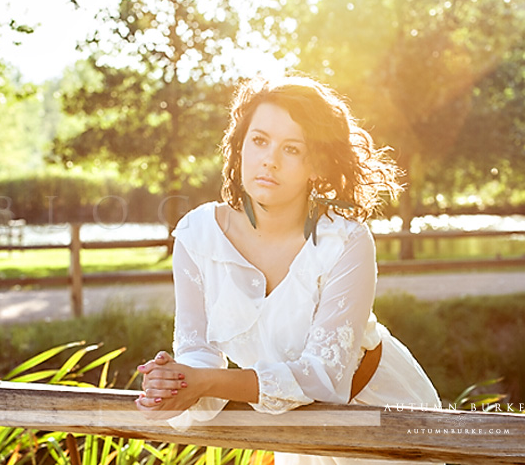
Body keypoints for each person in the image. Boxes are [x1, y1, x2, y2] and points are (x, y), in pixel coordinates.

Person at [135, 75, 441, 464]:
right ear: (239, 148)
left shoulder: (346, 241)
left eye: (292, 149)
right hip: (294, 433)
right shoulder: (197, 237)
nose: (270, 160)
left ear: (317, 165)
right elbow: (198, 351)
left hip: (380, 415)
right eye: (259, 141)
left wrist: (207, 382)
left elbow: (323, 377)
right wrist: (175, 380)